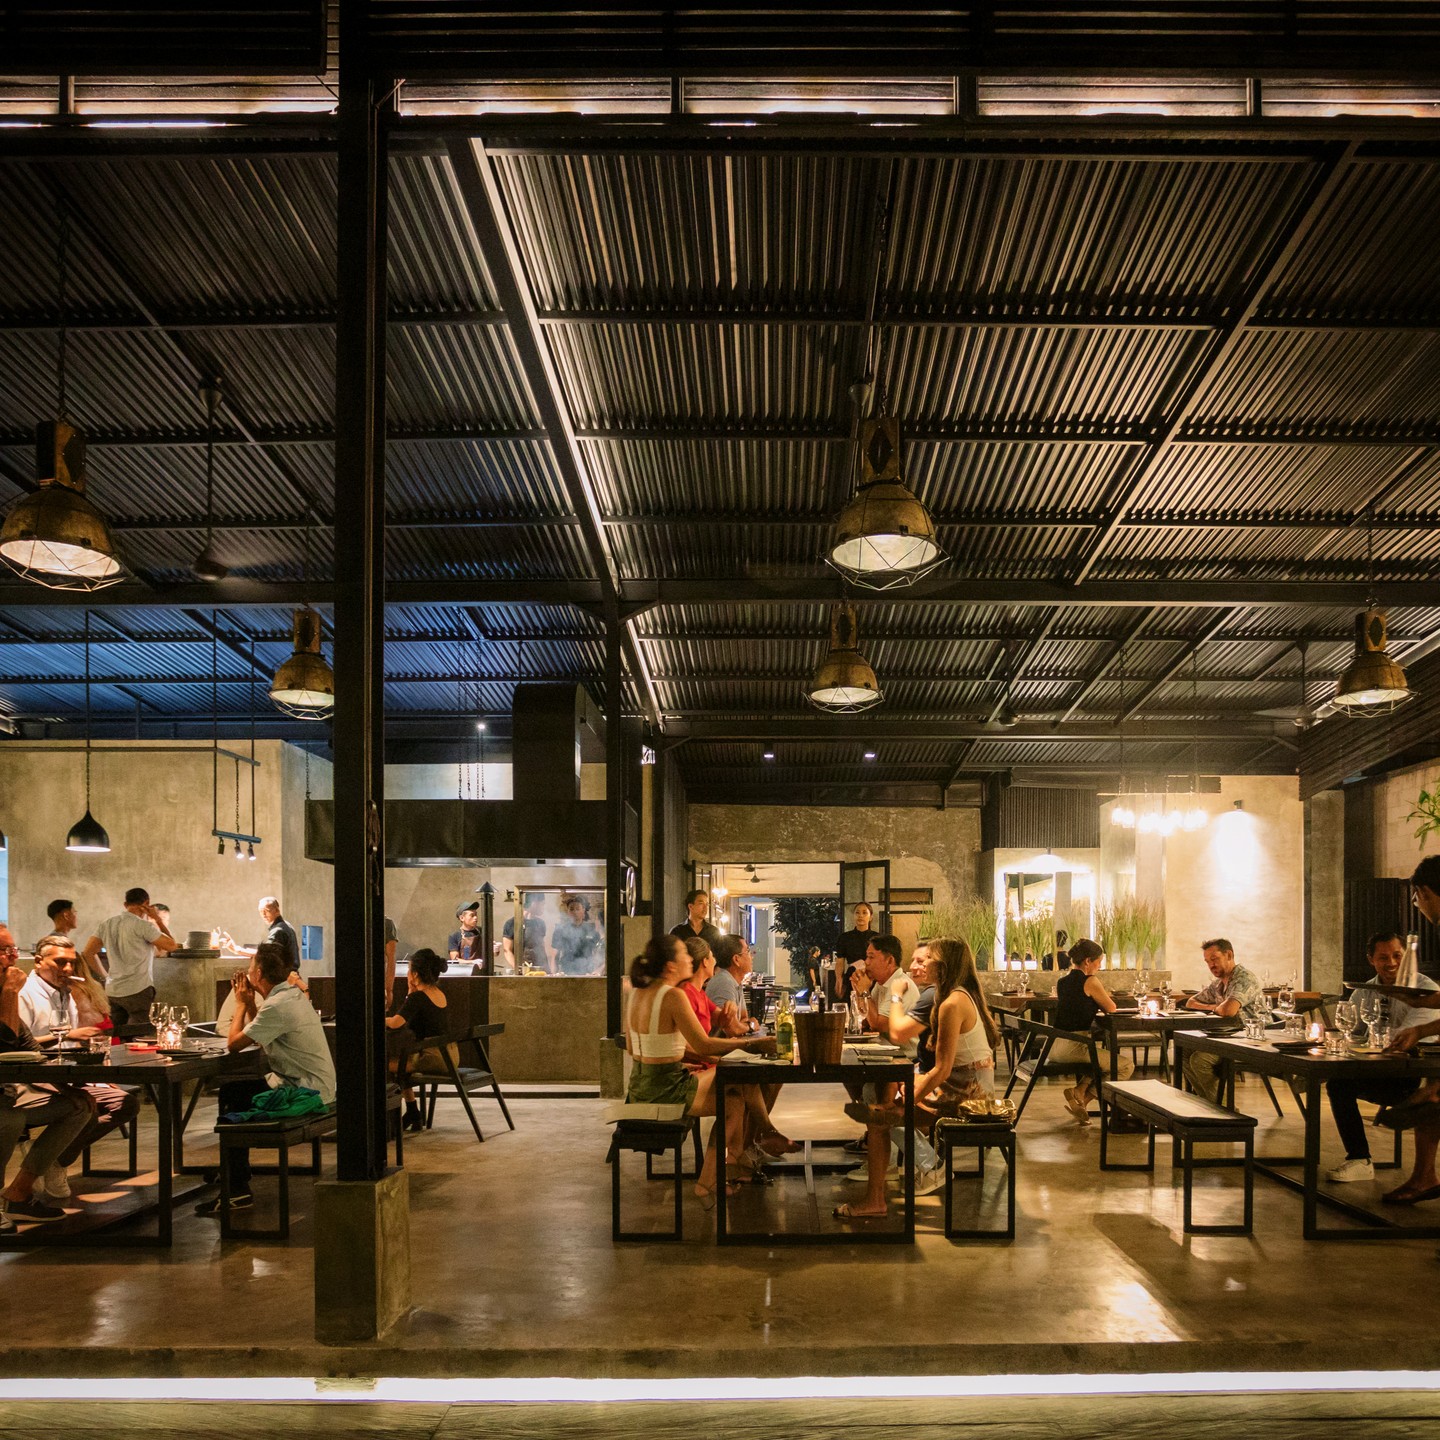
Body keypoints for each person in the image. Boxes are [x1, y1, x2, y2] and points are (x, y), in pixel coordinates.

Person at [836, 937, 998, 1221]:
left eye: (927, 959)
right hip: (965, 1086)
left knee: (879, 1118)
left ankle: (879, 1199)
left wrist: (905, 1102)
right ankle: (894, 1179)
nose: (919, 965)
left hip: (968, 1095)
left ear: (943, 965)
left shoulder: (951, 1003)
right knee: (882, 1101)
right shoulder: (953, 996)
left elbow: (942, 1070)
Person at [622, 935, 776, 1205]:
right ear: (671, 966)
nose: (689, 959)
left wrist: (674, 1058)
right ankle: (761, 1138)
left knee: (734, 1101)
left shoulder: (637, 993)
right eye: (684, 953)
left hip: (638, 1090)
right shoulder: (673, 996)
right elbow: (704, 1045)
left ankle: (710, 1181)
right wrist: (752, 1043)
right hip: (668, 1092)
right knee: (741, 1074)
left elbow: (632, 1048)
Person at [196, 943, 336, 1217]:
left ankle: (236, 1188)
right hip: (314, 1084)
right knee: (237, 1093)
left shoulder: (277, 1005)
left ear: (258, 973)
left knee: (232, 1096)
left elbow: (234, 1044)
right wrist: (250, 1004)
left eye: (250, 968)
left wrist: (239, 1005)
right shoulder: (291, 996)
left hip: (305, 1092)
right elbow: (260, 1034)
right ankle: (234, 1172)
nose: (248, 973)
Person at [17, 934, 139, 1202]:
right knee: (85, 1106)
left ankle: (55, 1158)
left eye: (72, 962)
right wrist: (67, 1036)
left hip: (65, 1072)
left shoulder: (65, 993)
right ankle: (39, 1163)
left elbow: (71, 1044)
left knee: (125, 1103)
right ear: (38, 961)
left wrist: (93, 1075)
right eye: (60, 962)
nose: (68, 968)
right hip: (33, 1075)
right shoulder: (25, 994)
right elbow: (21, 1045)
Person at [1325, 929, 1440, 1187]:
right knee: (1338, 1083)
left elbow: (1401, 1040)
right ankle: (1359, 1160)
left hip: (1413, 1077)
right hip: (1375, 1070)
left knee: (1340, 1085)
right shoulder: (1364, 991)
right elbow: (1352, 1034)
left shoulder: (1426, 991)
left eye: (1397, 956)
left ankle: (1419, 1176)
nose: (1392, 963)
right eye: (1383, 957)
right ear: (1371, 959)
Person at [0, 923, 94, 1229]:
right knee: (8, 1118)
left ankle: (18, 1193)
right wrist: (10, 992)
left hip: (10, 1088)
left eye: (13, 950)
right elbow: (4, 1046)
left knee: (80, 1105)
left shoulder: (6, 990)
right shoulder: (13, 991)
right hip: (7, 1092)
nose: (13, 957)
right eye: (4, 950)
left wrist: (65, 1087)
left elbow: (27, 1047)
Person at [678, 937, 796, 1165]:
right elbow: (724, 1033)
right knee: (747, 1082)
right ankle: (756, 1140)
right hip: (699, 1066)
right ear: (704, 962)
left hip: (713, 1057)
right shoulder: (687, 993)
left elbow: (731, 1021)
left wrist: (734, 1020)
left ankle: (742, 1154)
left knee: (757, 1081)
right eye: (711, 956)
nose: (715, 961)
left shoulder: (700, 992)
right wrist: (735, 1042)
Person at [1049, 938, 1135, 1125]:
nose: (1100, 966)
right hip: (1074, 1048)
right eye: (1099, 961)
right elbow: (1111, 1008)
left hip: (1054, 1047)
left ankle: (1080, 1093)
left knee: (1100, 1059)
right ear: (1088, 961)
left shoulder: (1062, 982)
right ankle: (1083, 1097)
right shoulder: (1090, 981)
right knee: (1125, 1065)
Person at [1181, 938, 1267, 1102]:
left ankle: (1224, 1110)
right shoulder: (1218, 984)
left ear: (1229, 955)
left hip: (1251, 1041)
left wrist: (1218, 1008)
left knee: (1199, 1060)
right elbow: (1190, 1002)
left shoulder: (1244, 979)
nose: (1211, 965)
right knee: (1184, 1052)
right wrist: (1215, 1007)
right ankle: (1209, 1105)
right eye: (1207, 961)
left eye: (1214, 959)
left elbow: (1228, 1010)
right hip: (1227, 1038)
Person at [81, 886, 179, 1028]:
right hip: (138, 989)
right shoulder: (143, 926)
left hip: (113, 990)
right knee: (139, 1034)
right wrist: (157, 919)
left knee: (117, 1034)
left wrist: (105, 976)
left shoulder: (107, 924)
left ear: (125, 904)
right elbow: (172, 946)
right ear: (147, 904)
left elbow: (87, 953)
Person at [385, 947, 450, 1132]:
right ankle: (413, 1111)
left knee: (386, 1065)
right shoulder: (437, 993)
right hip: (447, 1055)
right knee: (400, 1062)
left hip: (432, 1058)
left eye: (409, 970)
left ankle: (389, 1121)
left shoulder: (419, 997)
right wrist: (410, 992)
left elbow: (396, 1022)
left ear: (414, 974)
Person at [704, 935, 759, 1031]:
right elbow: (731, 1029)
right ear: (736, 959)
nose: (752, 957)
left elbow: (744, 1018)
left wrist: (743, 1025)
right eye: (748, 951)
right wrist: (751, 1026)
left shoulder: (735, 981)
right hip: (719, 1041)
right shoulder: (723, 982)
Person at [835, 902, 880, 1003]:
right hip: (852, 977)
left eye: (864, 913)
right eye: (857, 913)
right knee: (851, 1006)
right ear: (853, 916)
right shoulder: (844, 937)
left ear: (871, 917)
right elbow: (840, 961)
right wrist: (839, 979)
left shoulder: (878, 938)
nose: (860, 916)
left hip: (872, 977)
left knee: (870, 1006)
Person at [551, 896, 603, 976]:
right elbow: (555, 956)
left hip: (587, 973)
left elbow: (598, 954)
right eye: (571, 909)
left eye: (577, 909)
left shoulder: (591, 930)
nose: (575, 912)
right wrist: (554, 975)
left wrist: (597, 971)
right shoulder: (560, 930)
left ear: (583, 911)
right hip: (566, 972)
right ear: (568, 912)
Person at [502, 893, 550, 972]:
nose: (543, 907)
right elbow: (507, 950)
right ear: (534, 903)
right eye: (542, 904)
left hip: (540, 970)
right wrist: (519, 969)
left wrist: (547, 970)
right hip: (523, 970)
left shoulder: (541, 924)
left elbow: (542, 947)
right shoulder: (511, 923)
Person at [449, 902, 483, 968]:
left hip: (482, 969)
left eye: (476, 915)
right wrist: (472, 962)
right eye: (472, 915)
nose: (475, 917)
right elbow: (454, 959)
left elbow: (494, 954)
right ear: (462, 918)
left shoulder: (482, 931)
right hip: (463, 971)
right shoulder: (455, 936)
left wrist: (495, 950)